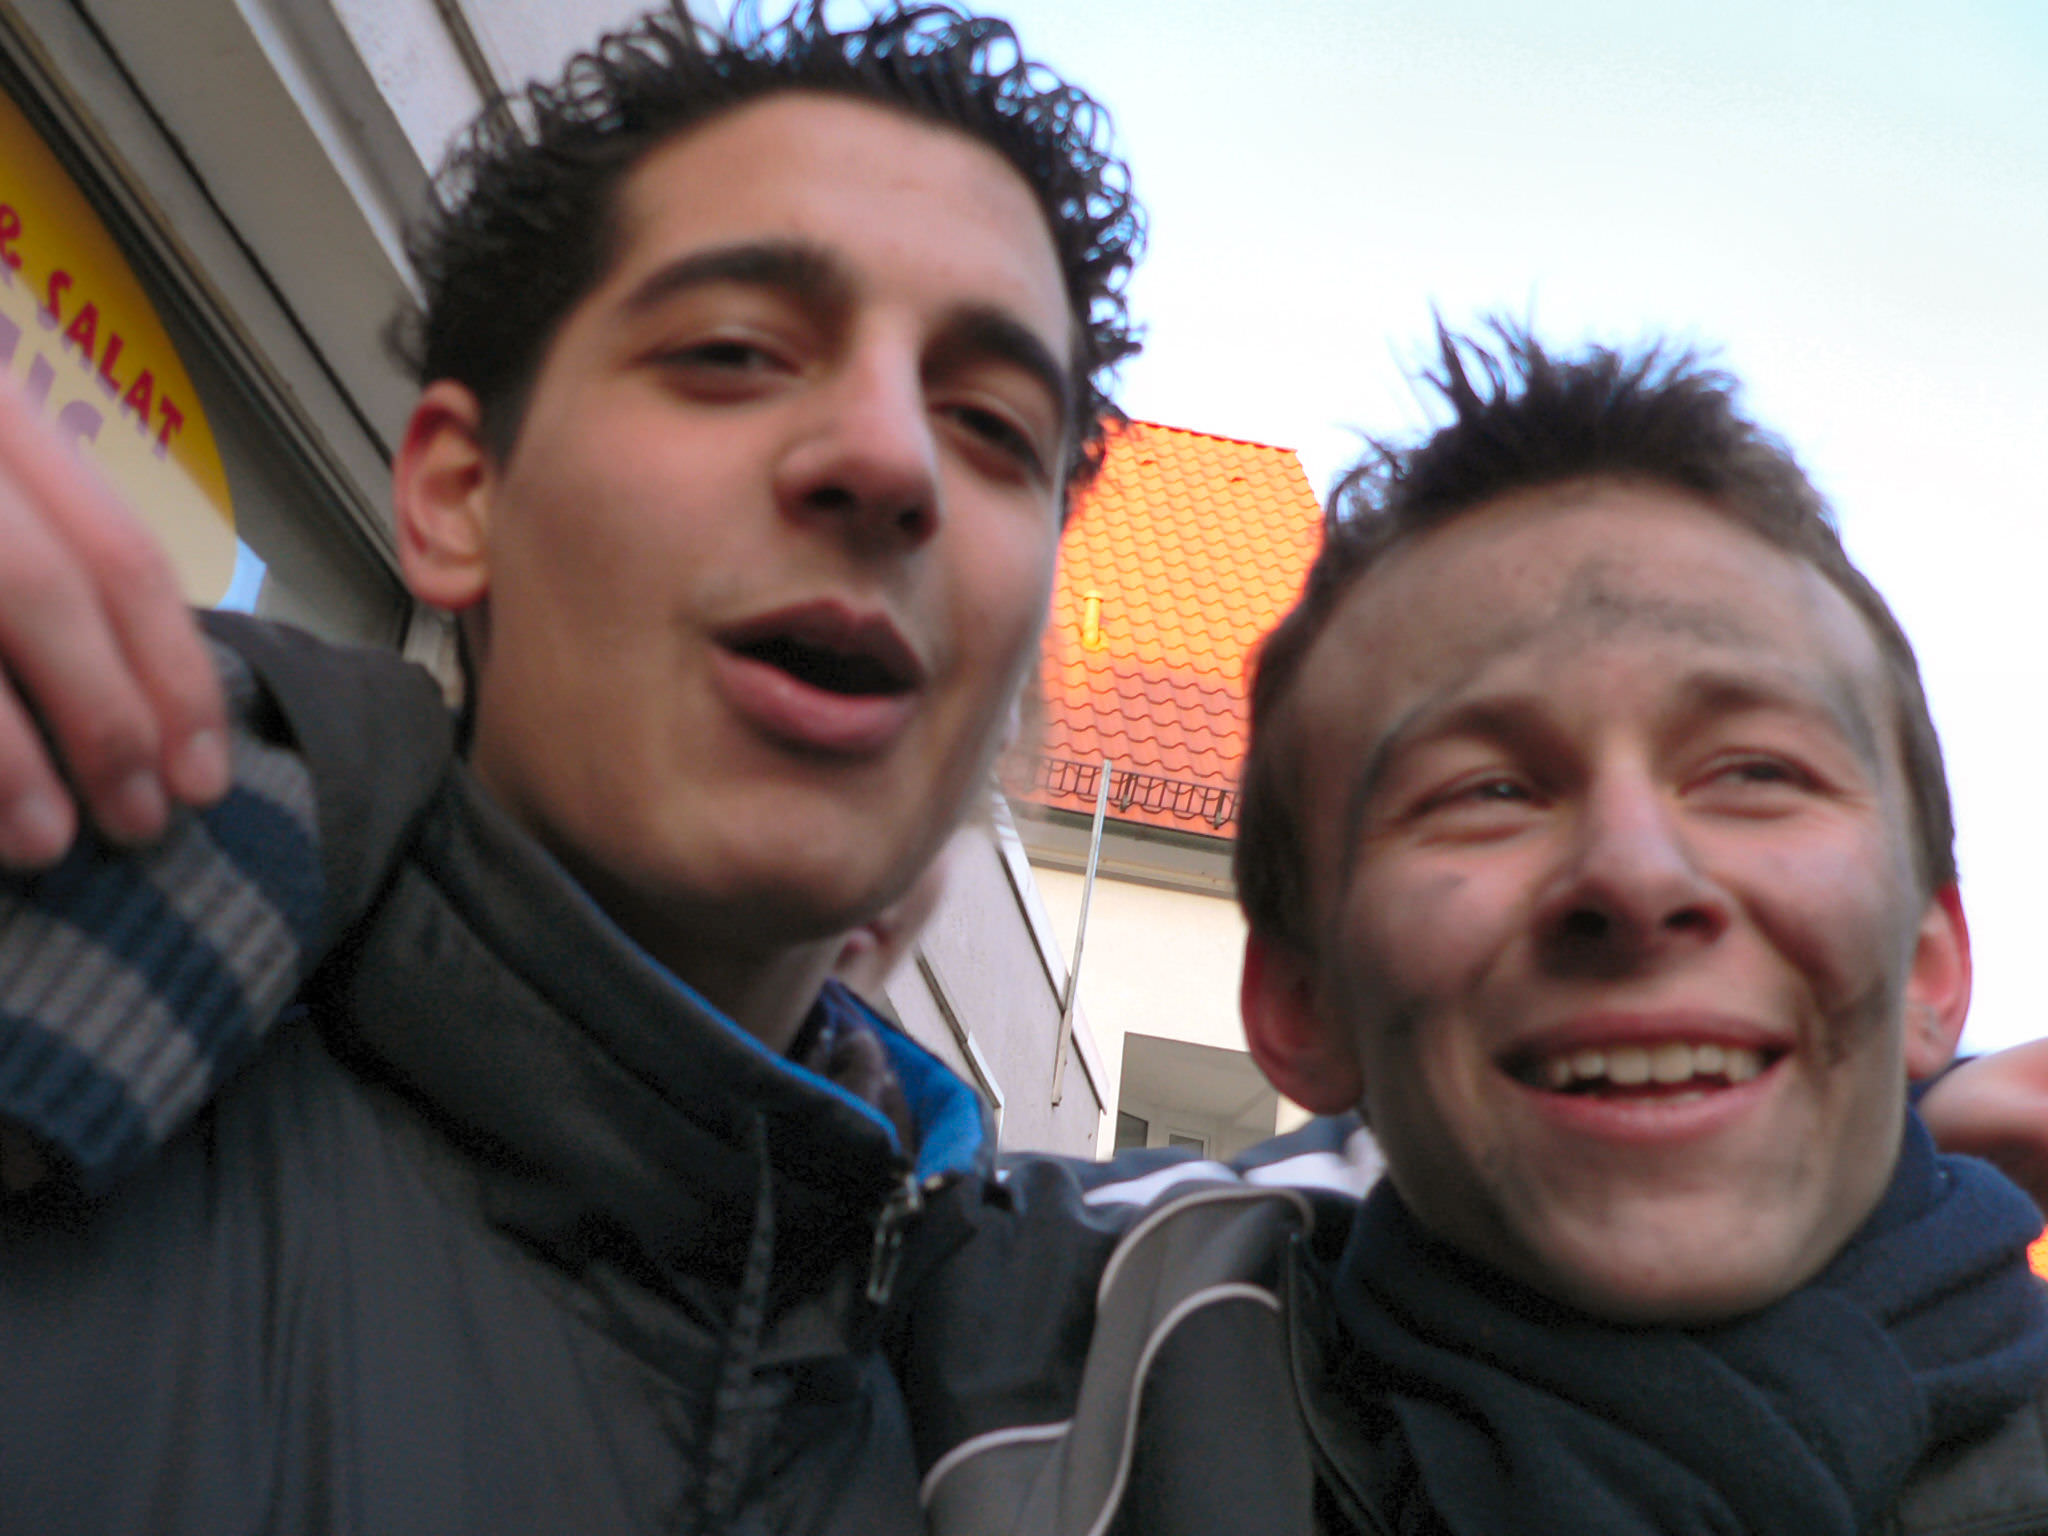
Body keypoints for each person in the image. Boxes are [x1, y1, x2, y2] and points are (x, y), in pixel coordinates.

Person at [0, 4, 1141, 1531]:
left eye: (994, 425)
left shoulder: (1034, 1427)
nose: (889, 459)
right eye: (732, 351)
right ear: (458, 495)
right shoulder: (57, 982)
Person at [899, 324, 2048, 1536]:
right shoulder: (980, 1357)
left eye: (1755, 772)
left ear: (1930, 968)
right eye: (1485, 791)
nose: (1634, 874)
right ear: (1298, 1002)